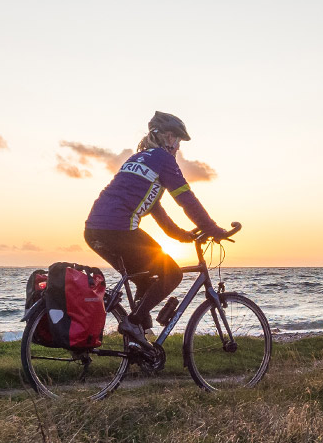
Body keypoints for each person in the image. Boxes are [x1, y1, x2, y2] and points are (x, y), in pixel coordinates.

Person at [84, 111, 229, 344]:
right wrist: (212, 228)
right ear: (169, 137)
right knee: (172, 273)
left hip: (93, 231)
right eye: (179, 141)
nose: (179, 147)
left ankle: (139, 341)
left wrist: (183, 236)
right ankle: (134, 323)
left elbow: (156, 210)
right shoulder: (163, 159)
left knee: (145, 280)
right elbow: (185, 198)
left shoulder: (138, 159)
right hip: (118, 230)